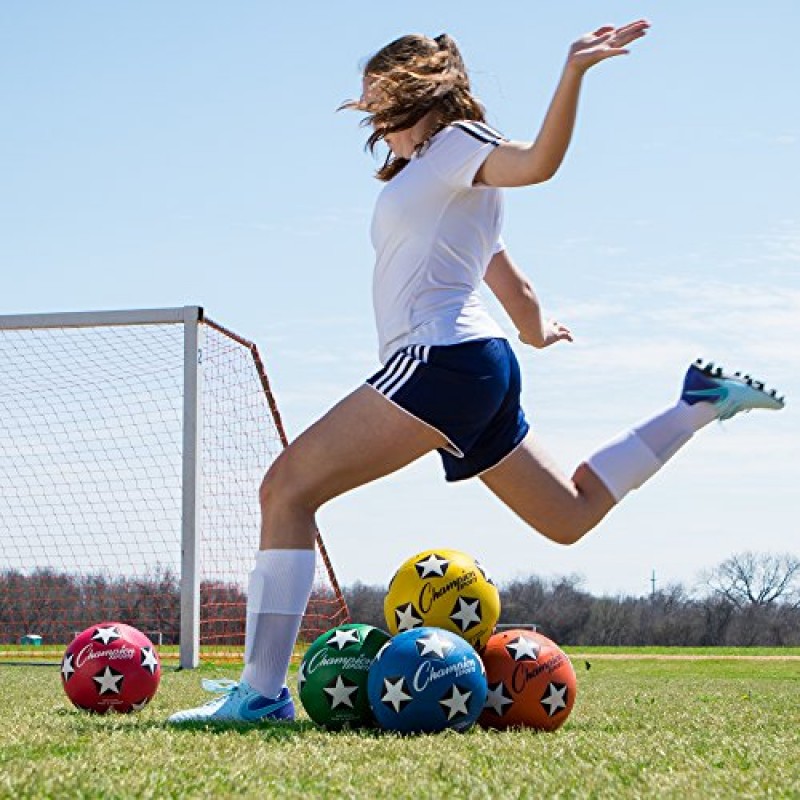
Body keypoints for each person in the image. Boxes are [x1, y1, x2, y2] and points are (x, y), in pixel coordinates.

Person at [168, 20, 785, 724]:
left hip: (441, 361)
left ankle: (261, 694)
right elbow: (509, 285)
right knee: (569, 513)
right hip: (477, 363)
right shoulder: (439, 180)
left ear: (418, 94)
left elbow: (538, 162)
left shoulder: (459, 144)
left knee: (286, 489)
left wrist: (573, 72)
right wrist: (538, 329)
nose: (374, 123)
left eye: (380, 106)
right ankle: (699, 404)